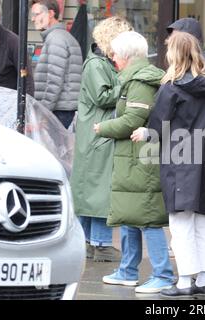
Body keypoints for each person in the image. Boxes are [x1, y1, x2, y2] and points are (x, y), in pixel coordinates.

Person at [131, 31, 205, 299]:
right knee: (204, 223)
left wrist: (145, 133)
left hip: (180, 161)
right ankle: (204, 279)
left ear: (174, 54)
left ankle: (184, 281)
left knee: (181, 226)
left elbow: (158, 124)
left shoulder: (170, 87)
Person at [94, 31, 174, 294]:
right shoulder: (135, 78)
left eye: (114, 54)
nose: (112, 59)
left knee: (148, 218)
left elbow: (132, 120)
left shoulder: (139, 81)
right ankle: (128, 271)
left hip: (141, 159)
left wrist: (101, 127)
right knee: (130, 214)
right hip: (133, 157)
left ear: (126, 56)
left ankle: (162, 274)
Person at [70, 16, 133, 263]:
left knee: (89, 190)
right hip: (99, 133)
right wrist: (128, 82)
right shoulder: (97, 64)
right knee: (99, 191)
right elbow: (103, 97)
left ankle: (87, 242)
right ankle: (101, 243)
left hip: (95, 133)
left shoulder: (98, 62)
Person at [31, 0, 83, 129]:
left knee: (54, 148)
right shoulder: (59, 36)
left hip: (59, 110)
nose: (33, 19)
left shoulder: (56, 39)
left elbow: (54, 80)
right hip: (61, 108)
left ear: (50, 13)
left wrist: (44, 110)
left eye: (36, 14)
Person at [166, 17, 205, 116]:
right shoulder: (190, 59)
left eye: (175, 38)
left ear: (188, 38)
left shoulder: (202, 61)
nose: (170, 40)